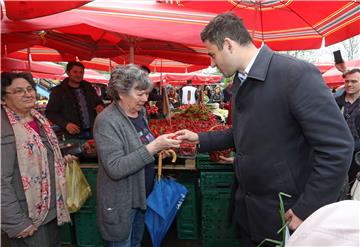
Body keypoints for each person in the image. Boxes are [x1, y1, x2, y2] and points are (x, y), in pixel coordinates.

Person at [175, 12, 354, 246]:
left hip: (286, 214)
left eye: (212, 54)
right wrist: (199, 138)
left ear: (228, 44)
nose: (212, 63)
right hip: (250, 212)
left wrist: (307, 207)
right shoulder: (240, 81)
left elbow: (338, 147)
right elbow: (242, 132)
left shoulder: (295, 74)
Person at [93, 64, 181, 247]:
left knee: (136, 242)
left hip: (141, 196)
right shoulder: (107, 121)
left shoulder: (140, 113)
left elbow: (140, 145)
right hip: (121, 202)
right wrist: (153, 147)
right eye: (139, 93)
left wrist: (158, 148)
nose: (145, 99)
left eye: (146, 93)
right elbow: (115, 168)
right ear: (121, 92)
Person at [1, 72, 76, 246]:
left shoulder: (39, 119)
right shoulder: (4, 129)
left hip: (52, 209)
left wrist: (60, 160)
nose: (27, 94)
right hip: (26, 215)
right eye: (19, 91)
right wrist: (16, 222)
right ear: (3, 99)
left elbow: (39, 157)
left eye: (29, 89)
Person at [45, 61, 104, 140]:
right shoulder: (58, 91)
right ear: (68, 73)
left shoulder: (89, 87)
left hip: (94, 131)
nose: (79, 75)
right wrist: (66, 124)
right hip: (73, 135)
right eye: (75, 72)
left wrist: (100, 106)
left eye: (81, 72)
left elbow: (98, 102)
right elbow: (50, 113)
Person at [335, 68, 360, 191]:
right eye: (347, 81)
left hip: (357, 153)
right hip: (338, 150)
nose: (349, 84)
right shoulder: (336, 101)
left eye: (354, 81)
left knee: (354, 188)